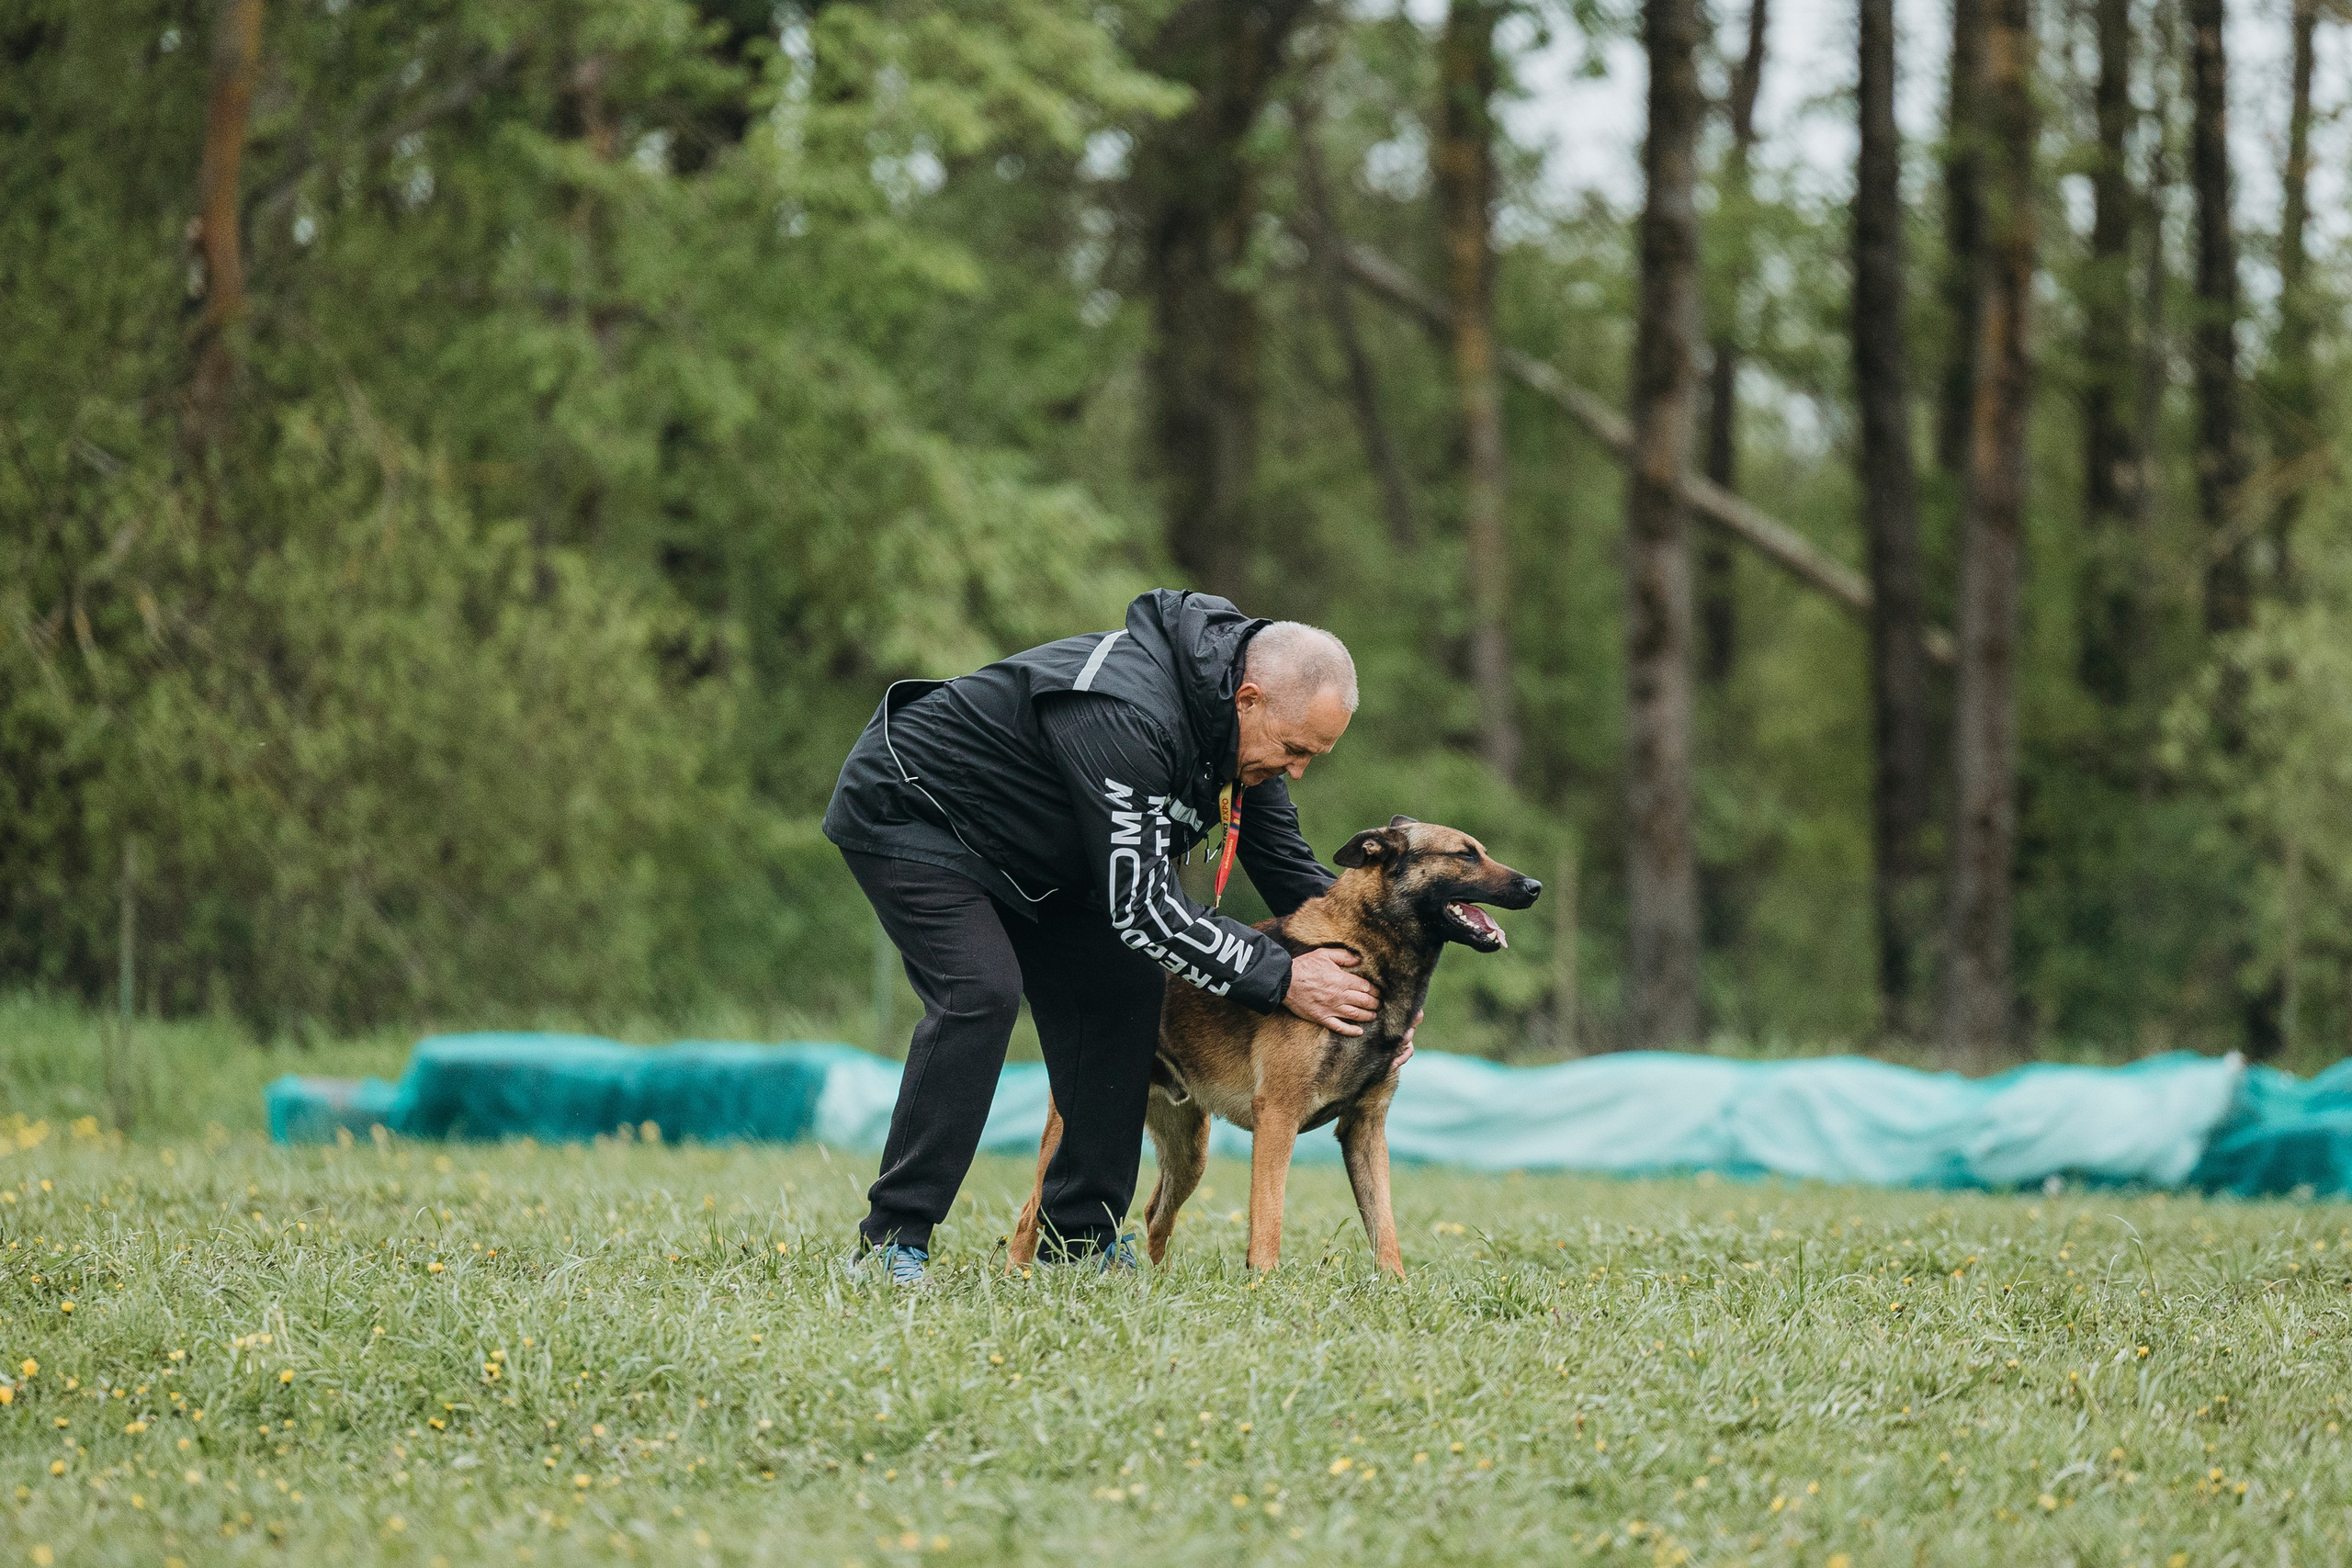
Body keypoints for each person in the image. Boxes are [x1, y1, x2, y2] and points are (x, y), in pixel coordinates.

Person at [821, 589, 1379, 1284]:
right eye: (1296, 750)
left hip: (1042, 856)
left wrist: (1372, 988)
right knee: (980, 990)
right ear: (1249, 697)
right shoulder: (1129, 712)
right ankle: (890, 1242)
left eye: (1313, 756)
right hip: (918, 810)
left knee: (1122, 988)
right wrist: (1287, 976)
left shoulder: (1241, 734)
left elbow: (1291, 872)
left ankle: (1077, 1240)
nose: (1297, 770)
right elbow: (1144, 908)